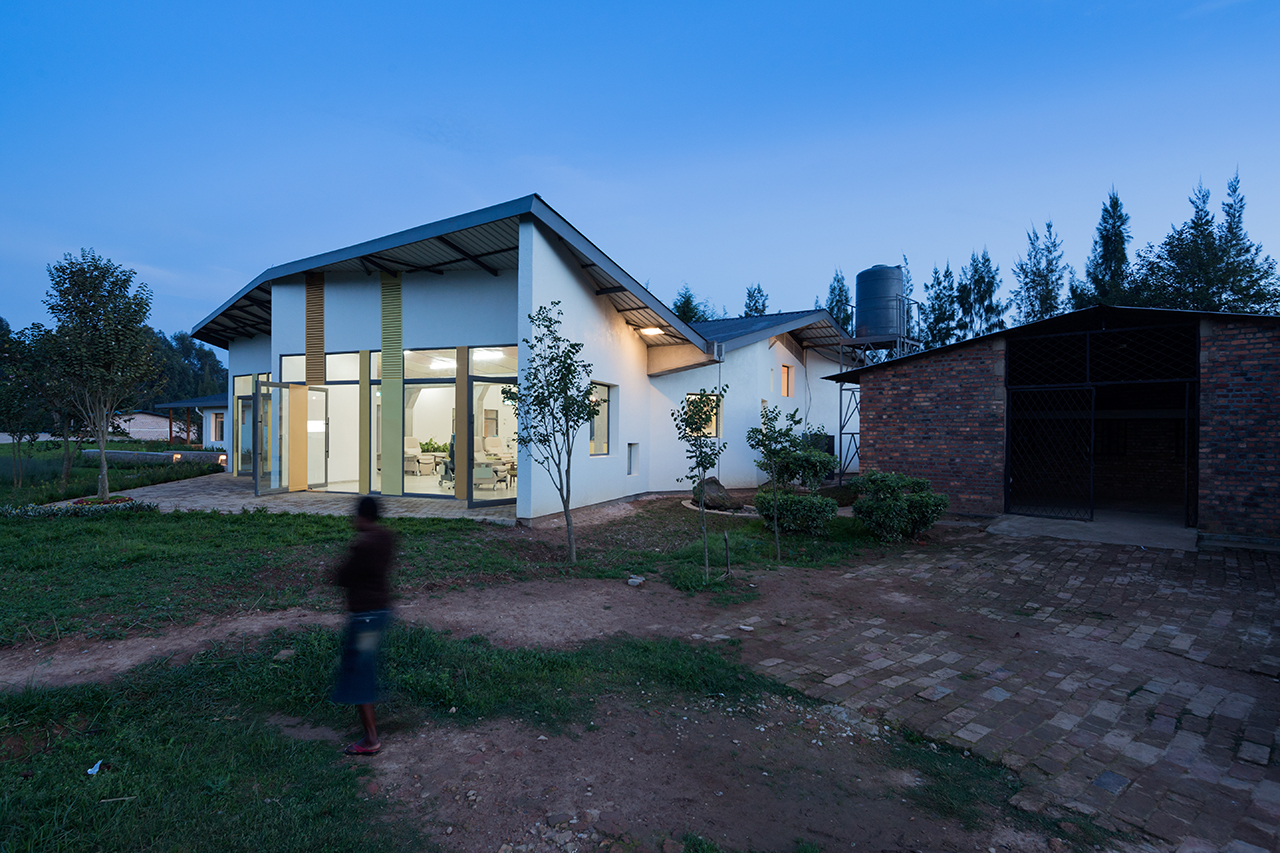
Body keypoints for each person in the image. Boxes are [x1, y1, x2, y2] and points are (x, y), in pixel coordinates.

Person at [330, 495, 395, 756]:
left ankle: (371, 739)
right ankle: (373, 724)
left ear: (362, 516)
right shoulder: (386, 538)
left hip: (364, 619)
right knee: (363, 667)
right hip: (380, 612)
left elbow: (342, 576)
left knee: (360, 672)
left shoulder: (364, 546)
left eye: (356, 515)